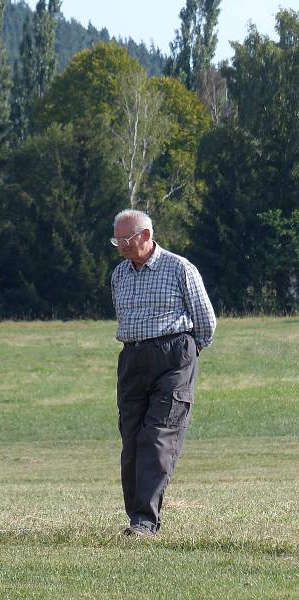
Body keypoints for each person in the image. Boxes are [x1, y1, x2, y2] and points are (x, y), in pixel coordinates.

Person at [110, 209, 216, 537]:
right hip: (132, 358)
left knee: (158, 435)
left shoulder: (180, 268)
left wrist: (187, 354)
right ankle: (135, 517)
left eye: (127, 240)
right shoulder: (119, 274)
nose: (122, 246)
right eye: (117, 240)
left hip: (173, 356)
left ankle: (144, 523)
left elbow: (205, 321)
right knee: (131, 439)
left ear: (146, 236)